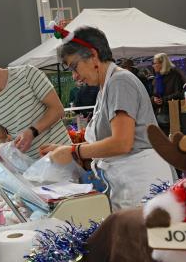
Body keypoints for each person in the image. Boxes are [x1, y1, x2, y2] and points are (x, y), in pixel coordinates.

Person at [41, 26, 174, 211]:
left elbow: (122, 143)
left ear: (93, 55)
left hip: (142, 182)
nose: (75, 76)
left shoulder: (120, 82)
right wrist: (67, 151)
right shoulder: (107, 87)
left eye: (74, 67)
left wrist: (74, 151)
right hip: (129, 182)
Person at [0, 48, 71, 159]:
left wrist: (32, 132)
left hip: (62, 158)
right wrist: (4, 151)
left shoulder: (27, 74)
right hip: (30, 170)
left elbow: (57, 109)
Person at [151, 53, 185, 130]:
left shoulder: (175, 75)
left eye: (155, 63)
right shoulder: (157, 77)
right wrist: (154, 100)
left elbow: (179, 94)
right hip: (159, 113)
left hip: (172, 113)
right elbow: (153, 94)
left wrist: (163, 100)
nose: (153, 66)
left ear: (162, 64)